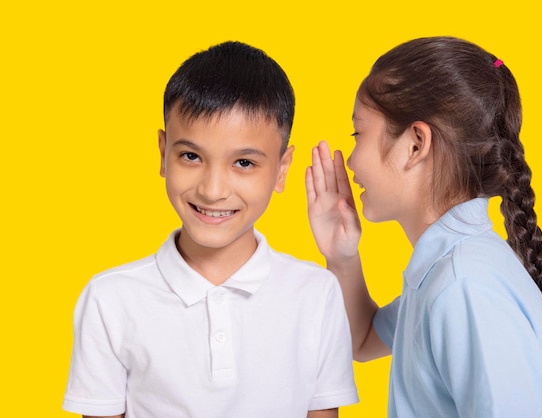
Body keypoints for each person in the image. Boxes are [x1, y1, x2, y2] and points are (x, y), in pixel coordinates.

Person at [63, 41, 358, 418]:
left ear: (282, 169)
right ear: (163, 153)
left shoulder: (316, 294)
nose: (213, 190)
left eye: (244, 163)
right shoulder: (110, 300)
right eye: (191, 156)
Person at [306, 36, 542, 417]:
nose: (350, 159)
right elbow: (363, 341)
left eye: (358, 134)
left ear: (415, 144)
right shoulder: (449, 272)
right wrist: (341, 255)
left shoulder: (464, 285)